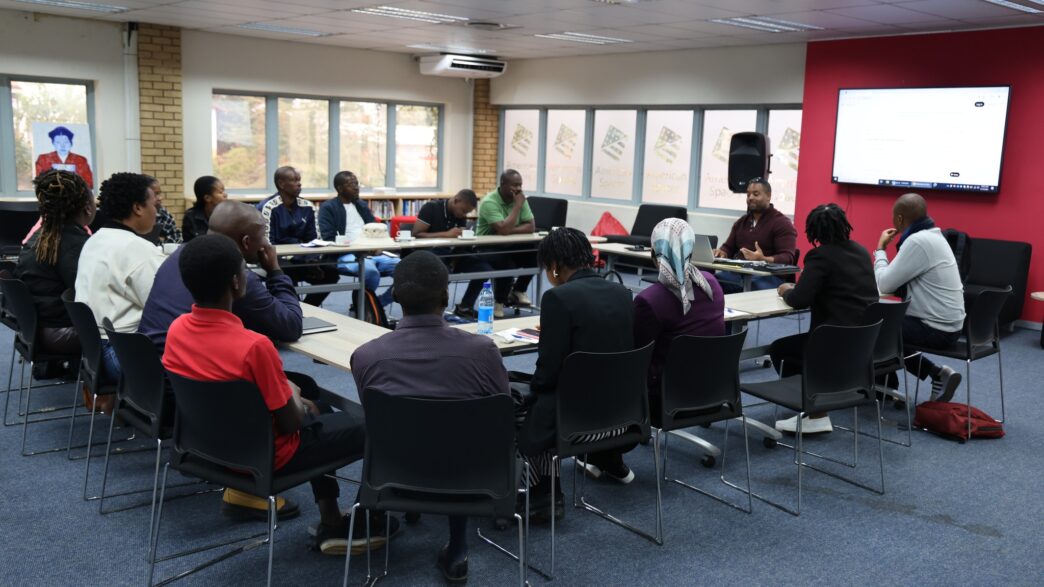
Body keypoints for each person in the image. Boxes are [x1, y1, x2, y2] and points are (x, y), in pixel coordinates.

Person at [162, 234, 392, 555]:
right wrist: (293, 394)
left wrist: (293, 394)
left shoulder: (177, 330)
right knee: (376, 428)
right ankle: (365, 525)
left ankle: (331, 518)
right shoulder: (255, 346)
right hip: (268, 457)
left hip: (210, 450)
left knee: (322, 408)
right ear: (236, 284)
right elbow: (291, 423)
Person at [139, 200, 305, 521]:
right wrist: (275, 270)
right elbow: (289, 325)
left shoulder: (182, 257)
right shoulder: (235, 275)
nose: (266, 243)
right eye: (263, 236)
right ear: (246, 244)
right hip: (199, 404)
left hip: (167, 388)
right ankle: (250, 483)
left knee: (296, 382)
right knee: (299, 391)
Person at [350, 250, 509, 582]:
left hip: (392, 473)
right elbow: (500, 419)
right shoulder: (483, 352)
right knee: (462, 437)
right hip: (471, 476)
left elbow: (381, 421)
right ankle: (458, 547)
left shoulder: (365, 357)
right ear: (445, 296)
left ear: (394, 295)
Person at [514, 228, 634, 521]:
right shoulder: (623, 292)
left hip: (576, 420)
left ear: (554, 265)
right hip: (622, 415)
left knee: (523, 397)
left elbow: (548, 372)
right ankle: (608, 459)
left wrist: (530, 391)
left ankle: (544, 494)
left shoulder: (558, 298)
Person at [769, 203, 879, 434]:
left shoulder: (819, 256)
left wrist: (786, 290)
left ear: (813, 231)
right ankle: (820, 399)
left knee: (780, 350)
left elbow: (799, 299)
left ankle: (815, 410)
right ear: (843, 225)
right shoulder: (860, 251)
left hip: (832, 340)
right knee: (793, 347)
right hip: (863, 340)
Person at [874, 193, 964, 403]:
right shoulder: (933, 236)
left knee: (873, 327)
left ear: (899, 219)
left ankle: (885, 389)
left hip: (936, 329)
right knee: (884, 323)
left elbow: (884, 285)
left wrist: (880, 250)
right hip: (948, 325)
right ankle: (934, 374)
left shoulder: (917, 241)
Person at [75, 172, 165, 382]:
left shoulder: (95, 239)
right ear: (138, 208)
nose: (156, 212)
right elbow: (163, 308)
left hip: (96, 349)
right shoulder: (137, 248)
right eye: (154, 204)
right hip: (123, 355)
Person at [633, 218, 725, 411]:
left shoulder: (649, 300)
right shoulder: (711, 284)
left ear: (653, 253)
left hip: (666, 396)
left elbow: (637, 354)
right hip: (713, 387)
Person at [15, 170, 96, 356]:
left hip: (38, 329)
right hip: (60, 333)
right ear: (87, 208)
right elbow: (91, 296)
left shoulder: (40, 236)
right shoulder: (74, 244)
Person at [257, 166, 338, 307]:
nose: (299, 184)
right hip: (276, 260)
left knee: (331, 273)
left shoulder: (308, 206)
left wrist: (312, 260)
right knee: (287, 273)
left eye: (299, 180)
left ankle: (309, 307)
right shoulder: (268, 207)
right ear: (281, 184)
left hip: (302, 259)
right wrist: (300, 258)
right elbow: (268, 244)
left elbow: (314, 240)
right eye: (294, 180)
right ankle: (294, 310)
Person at [317, 170, 398, 307]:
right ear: (339, 188)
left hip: (372, 253)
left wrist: (377, 246)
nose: (356, 187)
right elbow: (329, 237)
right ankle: (365, 308)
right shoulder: (328, 207)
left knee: (406, 269)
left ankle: (376, 305)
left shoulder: (361, 205)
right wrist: (359, 250)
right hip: (346, 255)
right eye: (351, 184)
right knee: (370, 271)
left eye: (357, 183)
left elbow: (375, 229)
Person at [413, 188, 491, 319]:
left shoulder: (460, 216)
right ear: (456, 200)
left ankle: (465, 306)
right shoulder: (431, 207)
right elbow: (416, 234)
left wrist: (456, 257)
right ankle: (431, 313)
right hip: (430, 254)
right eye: (463, 211)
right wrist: (446, 234)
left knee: (484, 269)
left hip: (453, 255)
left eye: (467, 212)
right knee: (443, 272)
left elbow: (459, 241)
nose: (464, 215)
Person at [713, 179, 798, 294]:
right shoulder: (741, 222)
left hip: (767, 277)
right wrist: (721, 252)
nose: (750, 197)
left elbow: (787, 258)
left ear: (768, 196)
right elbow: (728, 247)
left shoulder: (782, 223)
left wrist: (763, 259)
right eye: (748, 194)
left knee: (750, 286)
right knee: (710, 282)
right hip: (738, 274)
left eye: (756, 194)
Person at [476, 169, 537, 317]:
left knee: (536, 254)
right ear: (503, 184)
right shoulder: (489, 201)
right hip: (487, 247)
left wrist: (509, 229)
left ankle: (518, 290)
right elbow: (502, 229)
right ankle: (499, 301)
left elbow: (531, 226)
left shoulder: (520, 199)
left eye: (520, 185)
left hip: (511, 243)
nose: (518, 189)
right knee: (506, 262)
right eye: (514, 185)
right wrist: (517, 207)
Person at [181, 175, 227, 242]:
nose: (225, 195)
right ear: (207, 198)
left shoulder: (227, 215)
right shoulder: (191, 217)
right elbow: (189, 244)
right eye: (220, 192)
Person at [142, 176, 182, 245]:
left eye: (159, 193)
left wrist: (162, 247)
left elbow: (175, 237)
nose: (160, 198)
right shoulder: (133, 217)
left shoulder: (163, 214)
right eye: (155, 194)